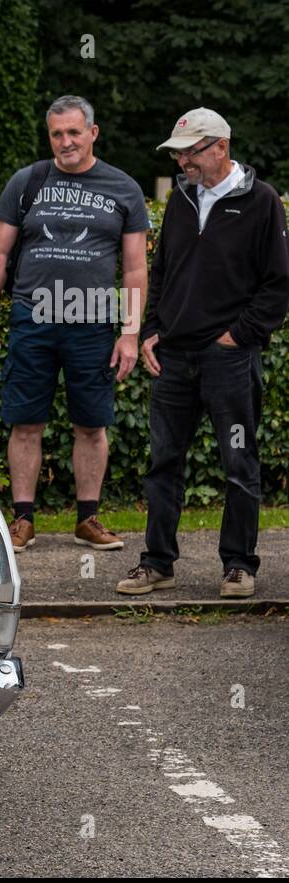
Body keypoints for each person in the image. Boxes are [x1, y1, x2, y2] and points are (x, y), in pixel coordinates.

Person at [117, 108, 289, 599]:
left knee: (239, 463)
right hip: (174, 357)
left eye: (191, 151)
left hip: (229, 360)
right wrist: (150, 329)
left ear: (221, 146)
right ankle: (157, 564)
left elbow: (278, 286)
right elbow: (164, 269)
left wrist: (237, 336)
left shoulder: (261, 202)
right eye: (178, 152)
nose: (183, 160)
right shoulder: (180, 199)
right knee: (162, 463)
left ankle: (238, 564)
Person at [0, 94, 150, 554]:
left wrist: (130, 332)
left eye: (74, 132)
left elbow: (134, 268)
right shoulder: (27, 181)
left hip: (92, 317)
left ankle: (87, 519)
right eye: (57, 133)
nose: (66, 142)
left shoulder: (123, 188)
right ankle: (23, 521)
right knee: (25, 422)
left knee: (92, 425)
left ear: (93, 132)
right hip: (33, 316)